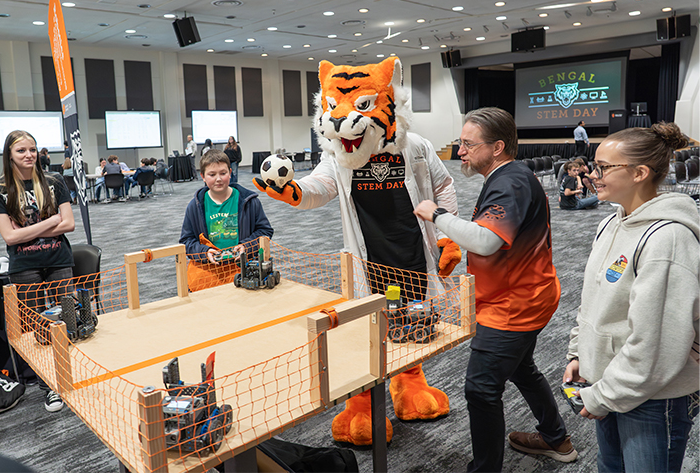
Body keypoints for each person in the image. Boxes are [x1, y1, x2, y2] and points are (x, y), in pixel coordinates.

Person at [254, 57, 460, 445]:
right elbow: (320, 187)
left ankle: (410, 382)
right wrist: (292, 193)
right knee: (365, 332)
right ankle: (362, 402)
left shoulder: (415, 147)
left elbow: (444, 185)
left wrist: (449, 237)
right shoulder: (338, 154)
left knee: (415, 322)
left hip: (414, 253)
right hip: (368, 259)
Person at [414, 107, 576, 471]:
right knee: (521, 369)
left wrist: (437, 214)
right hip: (525, 295)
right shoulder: (507, 177)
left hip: (514, 305)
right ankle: (555, 438)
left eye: (469, 145)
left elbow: (486, 241)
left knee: (480, 389)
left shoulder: (510, 182)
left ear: (498, 147)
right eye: (461, 143)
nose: (460, 152)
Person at [564, 122, 699, 473]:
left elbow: (657, 343)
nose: (593, 175)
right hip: (609, 384)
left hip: (652, 398)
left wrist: (605, 394)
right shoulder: (611, 222)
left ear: (640, 173)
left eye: (604, 167)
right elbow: (592, 300)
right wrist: (580, 353)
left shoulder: (667, 238)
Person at [0, 129, 75, 412]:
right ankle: (50, 388)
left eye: (32, 149)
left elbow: (69, 223)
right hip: (24, 267)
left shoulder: (54, 181)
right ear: (9, 154)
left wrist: (27, 231)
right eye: (21, 150)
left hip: (59, 260)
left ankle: (72, 378)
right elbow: (10, 238)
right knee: (38, 330)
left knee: (68, 323)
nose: (29, 155)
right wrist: (50, 223)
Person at [180, 149, 273, 291]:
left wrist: (246, 247)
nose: (218, 179)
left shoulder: (249, 201)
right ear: (202, 176)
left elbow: (265, 231)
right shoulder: (195, 206)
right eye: (212, 174)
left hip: (242, 269)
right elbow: (186, 242)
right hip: (209, 271)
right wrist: (205, 252)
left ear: (230, 173)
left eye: (223, 173)